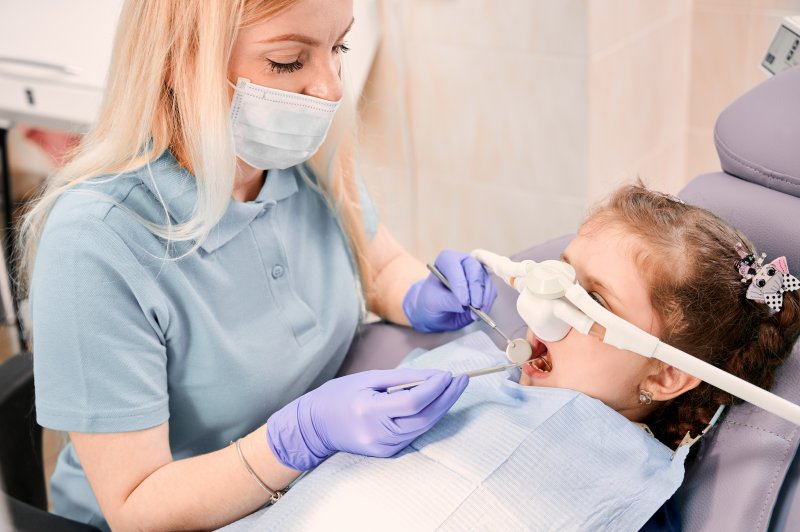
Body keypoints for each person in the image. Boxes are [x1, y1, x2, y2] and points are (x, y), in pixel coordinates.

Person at [18, 1, 498, 530]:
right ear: (182, 62)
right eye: (290, 61)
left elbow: (377, 266)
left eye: (339, 47)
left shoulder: (304, 155)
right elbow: (137, 506)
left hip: (308, 489)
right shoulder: (98, 242)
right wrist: (298, 438)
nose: (331, 88)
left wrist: (419, 293)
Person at [219, 184, 800, 531]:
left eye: (590, 298)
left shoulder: (632, 488)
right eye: (560, 274)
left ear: (667, 371)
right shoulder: (470, 368)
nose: (544, 301)